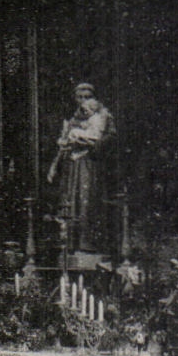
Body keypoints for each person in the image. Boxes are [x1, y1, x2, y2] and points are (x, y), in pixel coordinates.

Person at [47, 83, 114, 254]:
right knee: (70, 200)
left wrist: (93, 145)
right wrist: (55, 165)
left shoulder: (103, 116)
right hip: (72, 163)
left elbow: (109, 137)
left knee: (87, 200)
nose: (83, 101)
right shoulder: (73, 119)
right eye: (80, 97)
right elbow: (63, 144)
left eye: (87, 97)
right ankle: (70, 244)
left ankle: (88, 244)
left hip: (90, 163)